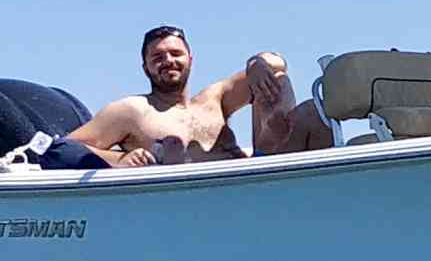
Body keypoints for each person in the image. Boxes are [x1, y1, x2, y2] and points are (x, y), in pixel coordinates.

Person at [66, 26, 332, 166]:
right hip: (192, 202)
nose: (168, 61)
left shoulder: (214, 98)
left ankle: (275, 136)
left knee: (311, 113)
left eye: (175, 54)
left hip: (254, 181)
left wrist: (256, 63)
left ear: (190, 59)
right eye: (157, 57)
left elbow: (275, 63)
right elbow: (62, 149)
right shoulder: (131, 110)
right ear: (145, 67)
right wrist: (120, 160)